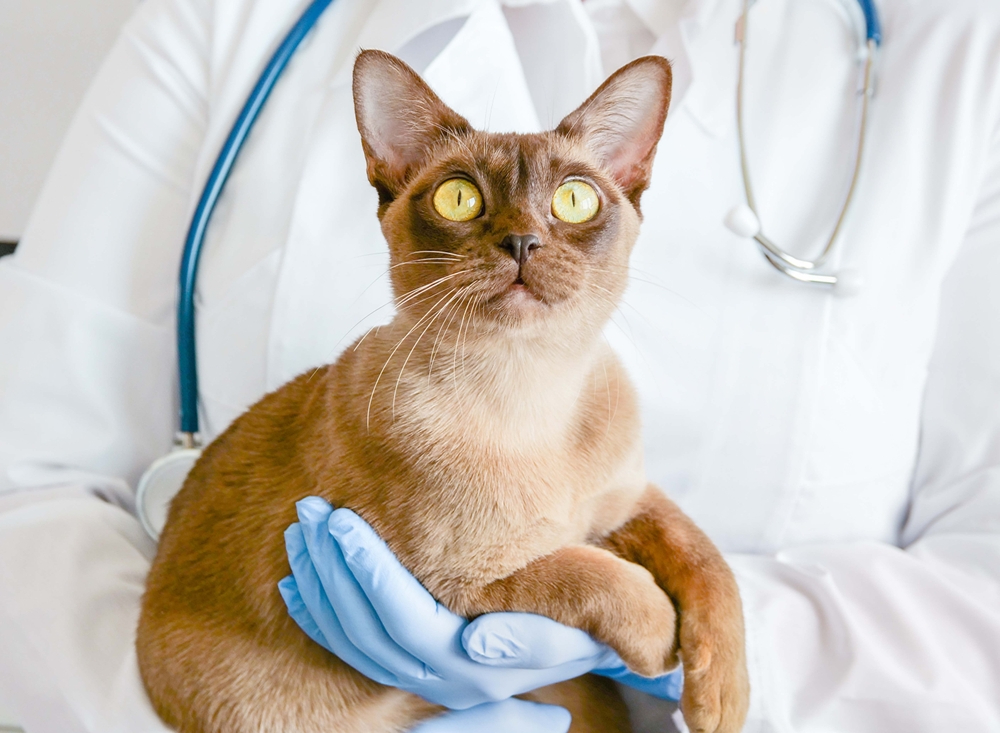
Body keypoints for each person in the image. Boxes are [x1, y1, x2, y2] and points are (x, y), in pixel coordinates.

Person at [2, 0, 1000, 730]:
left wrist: (713, 649)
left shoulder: (961, 47)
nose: (526, 241)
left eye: (572, 206)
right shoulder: (235, 23)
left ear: (628, 179)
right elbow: (27, 488)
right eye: (455, 204)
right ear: (391, 180)